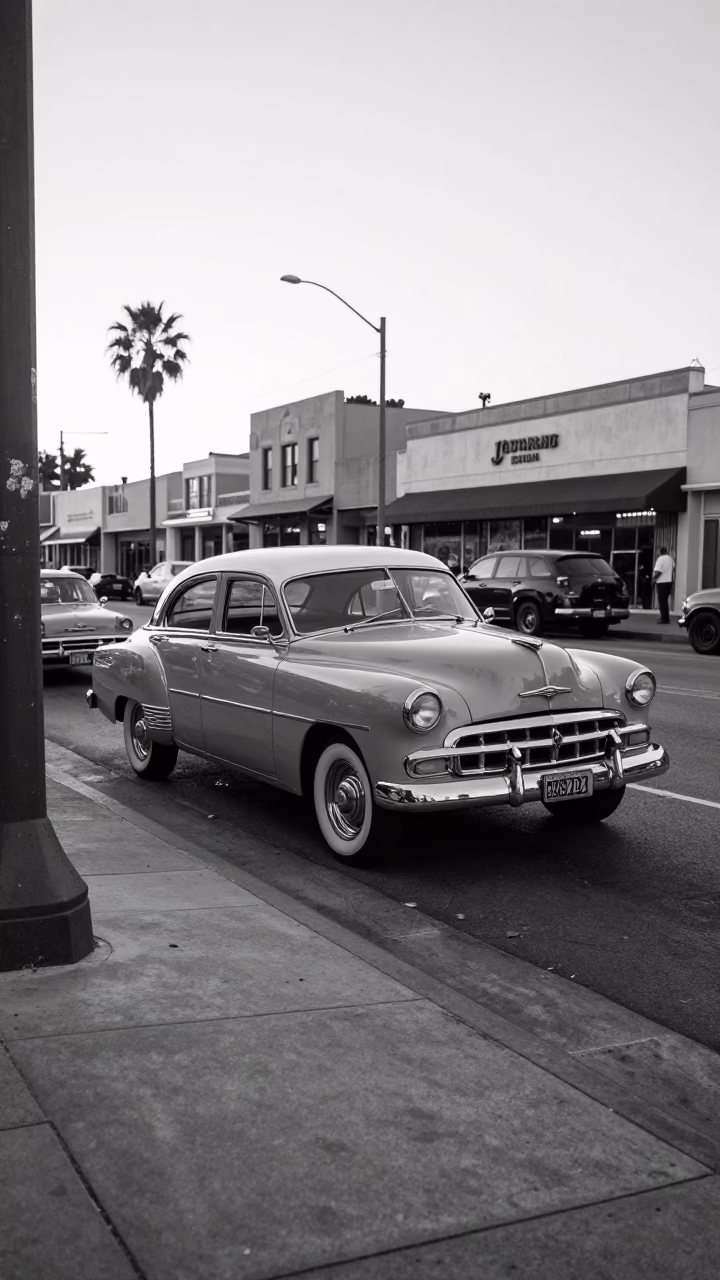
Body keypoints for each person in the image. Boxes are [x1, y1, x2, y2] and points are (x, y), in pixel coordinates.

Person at [652, 545, 674, 624]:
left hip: (662, 582)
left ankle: (664, 618)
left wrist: (653, 579)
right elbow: (673, 569)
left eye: (658, 551)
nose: (657, 552)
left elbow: (658, 571)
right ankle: (666, 618)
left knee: (662, 601)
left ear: (660, 551)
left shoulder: (660, 559)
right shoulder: (670, 559)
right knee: (665, 601)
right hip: (669, 582)